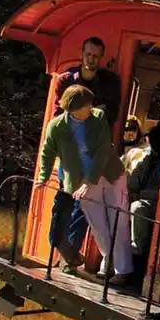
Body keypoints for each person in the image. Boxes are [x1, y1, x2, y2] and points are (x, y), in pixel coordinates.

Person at [37, 85, 134, 285]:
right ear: (74, 107)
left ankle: (123, 270)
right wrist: (43, 176)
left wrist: (90, 181)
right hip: (81, 182)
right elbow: (47, 152)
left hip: (110, 174)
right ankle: (108, 260)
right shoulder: (56, 126)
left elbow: (102, 152)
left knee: (118, 218)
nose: (91, 107)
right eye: (87, 105)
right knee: (98, 223)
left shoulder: (98, 118)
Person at [48, 37, 122, 265]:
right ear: (82, 53)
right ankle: (58, 245)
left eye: (96, 56)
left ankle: (69, 256)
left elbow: (112, 116)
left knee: (84, 204)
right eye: (88, 55)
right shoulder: (66, 79)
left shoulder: (109, 82)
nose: (91, 59)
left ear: (101, 57)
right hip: (70, 152)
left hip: (94, 153)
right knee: (63, 200)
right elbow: (57, 116)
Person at [126, 116, 160, 263]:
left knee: (138, 207)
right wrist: (131, 190)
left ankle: (136, 252)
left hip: (156, 203)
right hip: (141, 196)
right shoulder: (148, 158)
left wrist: (140, 194)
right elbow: (134, 179)